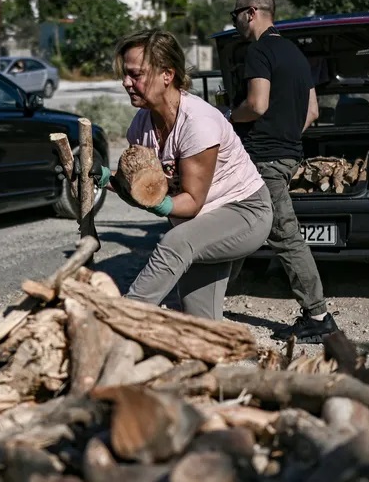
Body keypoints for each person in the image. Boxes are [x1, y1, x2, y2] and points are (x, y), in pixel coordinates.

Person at [85, 28, 273, 320]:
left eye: (135, 74)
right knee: (200, 320)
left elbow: (191, 203)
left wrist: (158, 204)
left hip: (244, 212)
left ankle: (121, 321)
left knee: (174, 243)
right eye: (125, 74)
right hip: (199, 224)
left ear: (167, 75)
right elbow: (142, 190)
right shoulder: (141, 127)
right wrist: (103, 176)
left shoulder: (198, 123)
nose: (126, 82)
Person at [228, 0, 338, 344]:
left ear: (251, 12)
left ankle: (318, 316)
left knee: (285, 236)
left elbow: (256, 105)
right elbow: (313, 112)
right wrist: (288, 134)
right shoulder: (294, 53)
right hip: (288, 155)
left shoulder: (259, 51)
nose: (236, 23)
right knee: (236, 223)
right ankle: (213, 297)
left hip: (263, 159)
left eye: (236, 15)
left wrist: (229, 115)